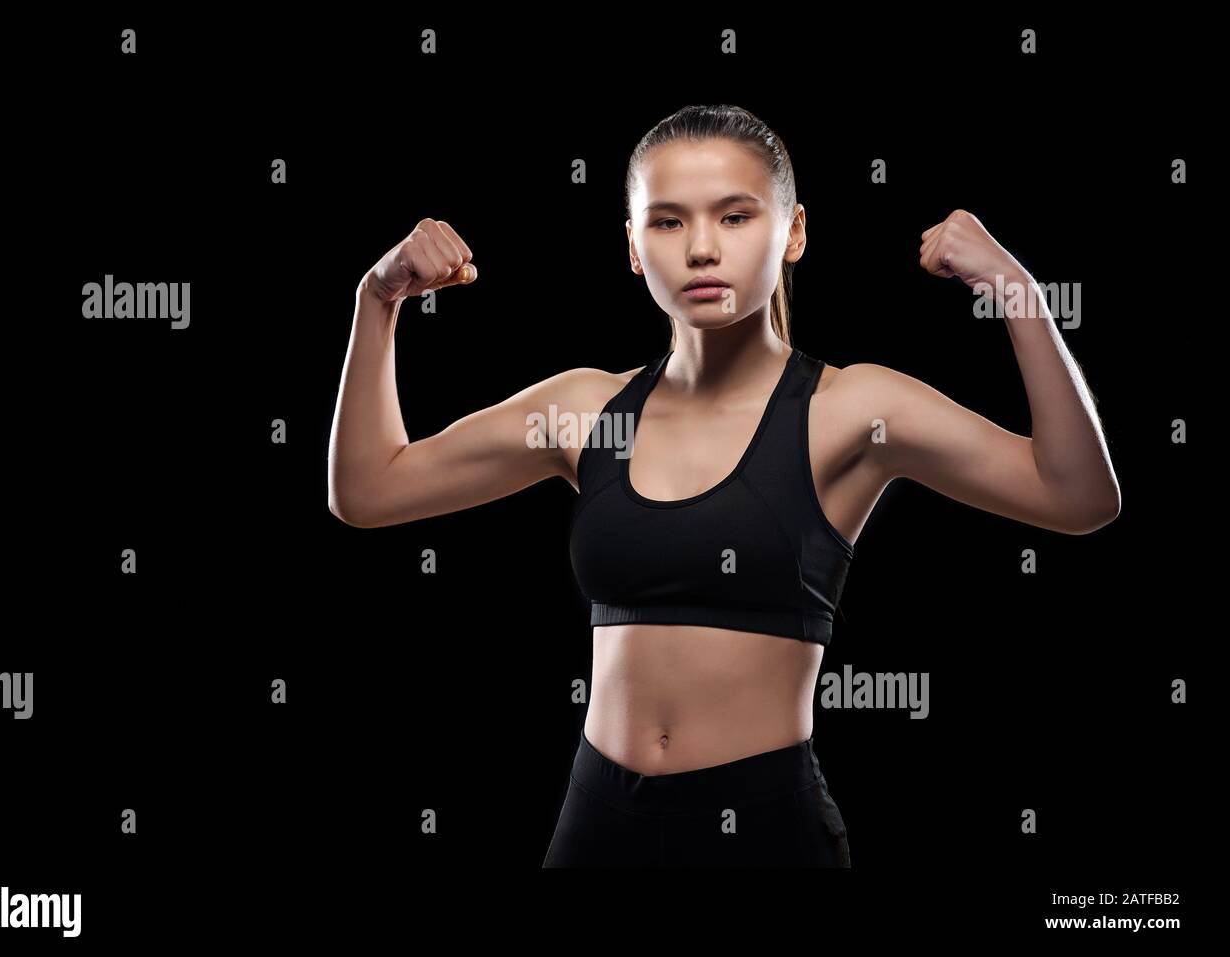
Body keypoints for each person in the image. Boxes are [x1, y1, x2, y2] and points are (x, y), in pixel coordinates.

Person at [327, 104, 1121, 867]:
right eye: (668, 221)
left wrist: (1018, 291)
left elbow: (1077, 495)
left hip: (767, 825)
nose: (701, 248)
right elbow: (368, 490)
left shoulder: (851, 411)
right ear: (633, 245)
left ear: (795, 231)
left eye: (735, 216)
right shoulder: (585, 411)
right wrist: (377, 298)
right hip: (597, 817)